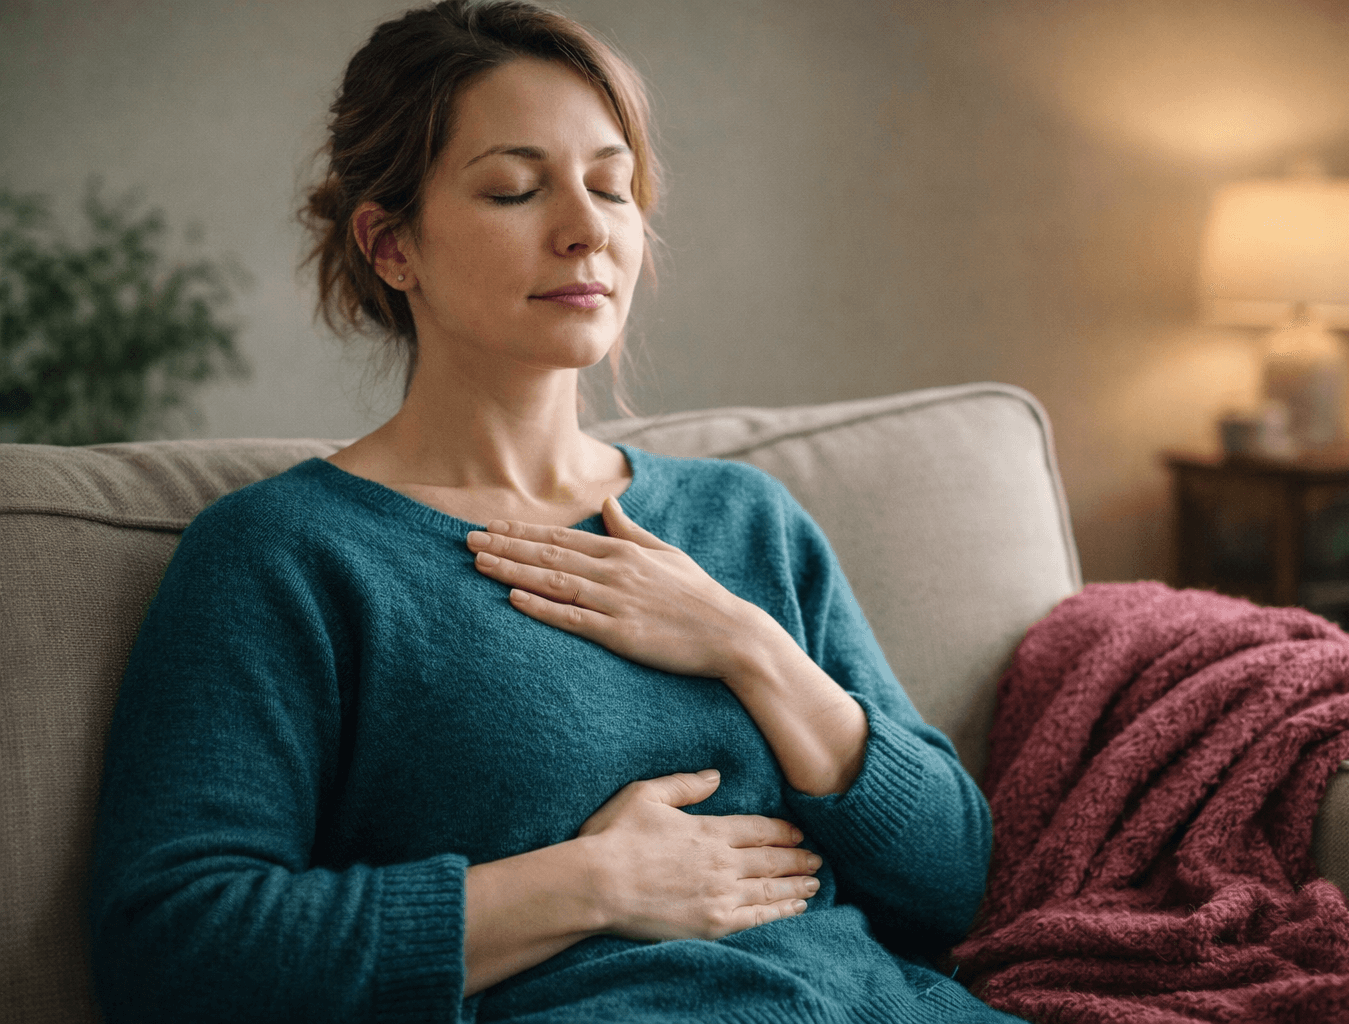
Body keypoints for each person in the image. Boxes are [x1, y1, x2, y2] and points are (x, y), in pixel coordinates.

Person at [88, 3, 1009, 1021]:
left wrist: (747, 644)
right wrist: (594, 884)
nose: (585, 229)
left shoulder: (745, 520)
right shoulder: (284, 555)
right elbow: (173, 949)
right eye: (516, 189)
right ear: (391, 245)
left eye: (612, 186)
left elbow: (956, 880)